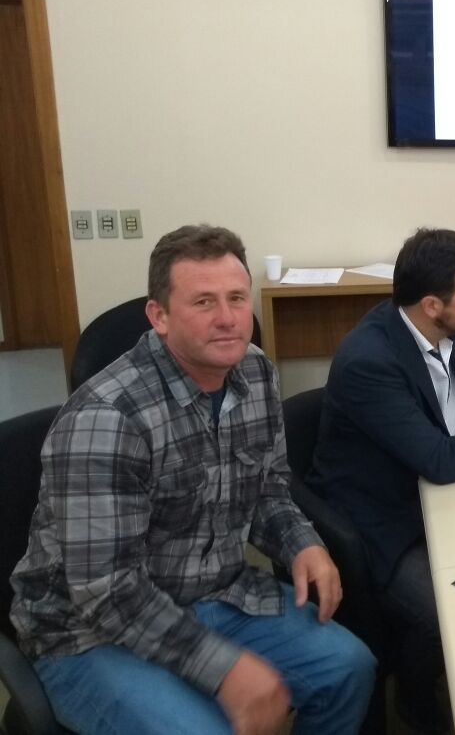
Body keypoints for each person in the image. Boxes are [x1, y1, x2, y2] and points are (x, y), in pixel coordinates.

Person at [10, 224, 376, 735]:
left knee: (349, 669)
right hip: (89, 633)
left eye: (236, 298)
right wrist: (224, 670)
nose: (228, 318)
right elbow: (107, 593)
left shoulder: (256, 374)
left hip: (213, 592)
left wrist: (302, 543)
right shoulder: (107, 418)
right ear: (159, 316)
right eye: (204, 302)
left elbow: (268, 489)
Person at [308, 227, 455, 734]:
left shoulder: (446, 331)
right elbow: (437, 457)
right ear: (433, 305)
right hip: (385, 523)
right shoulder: (369, 360)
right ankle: (418, 706)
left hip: (444, 501)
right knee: (451, 613)